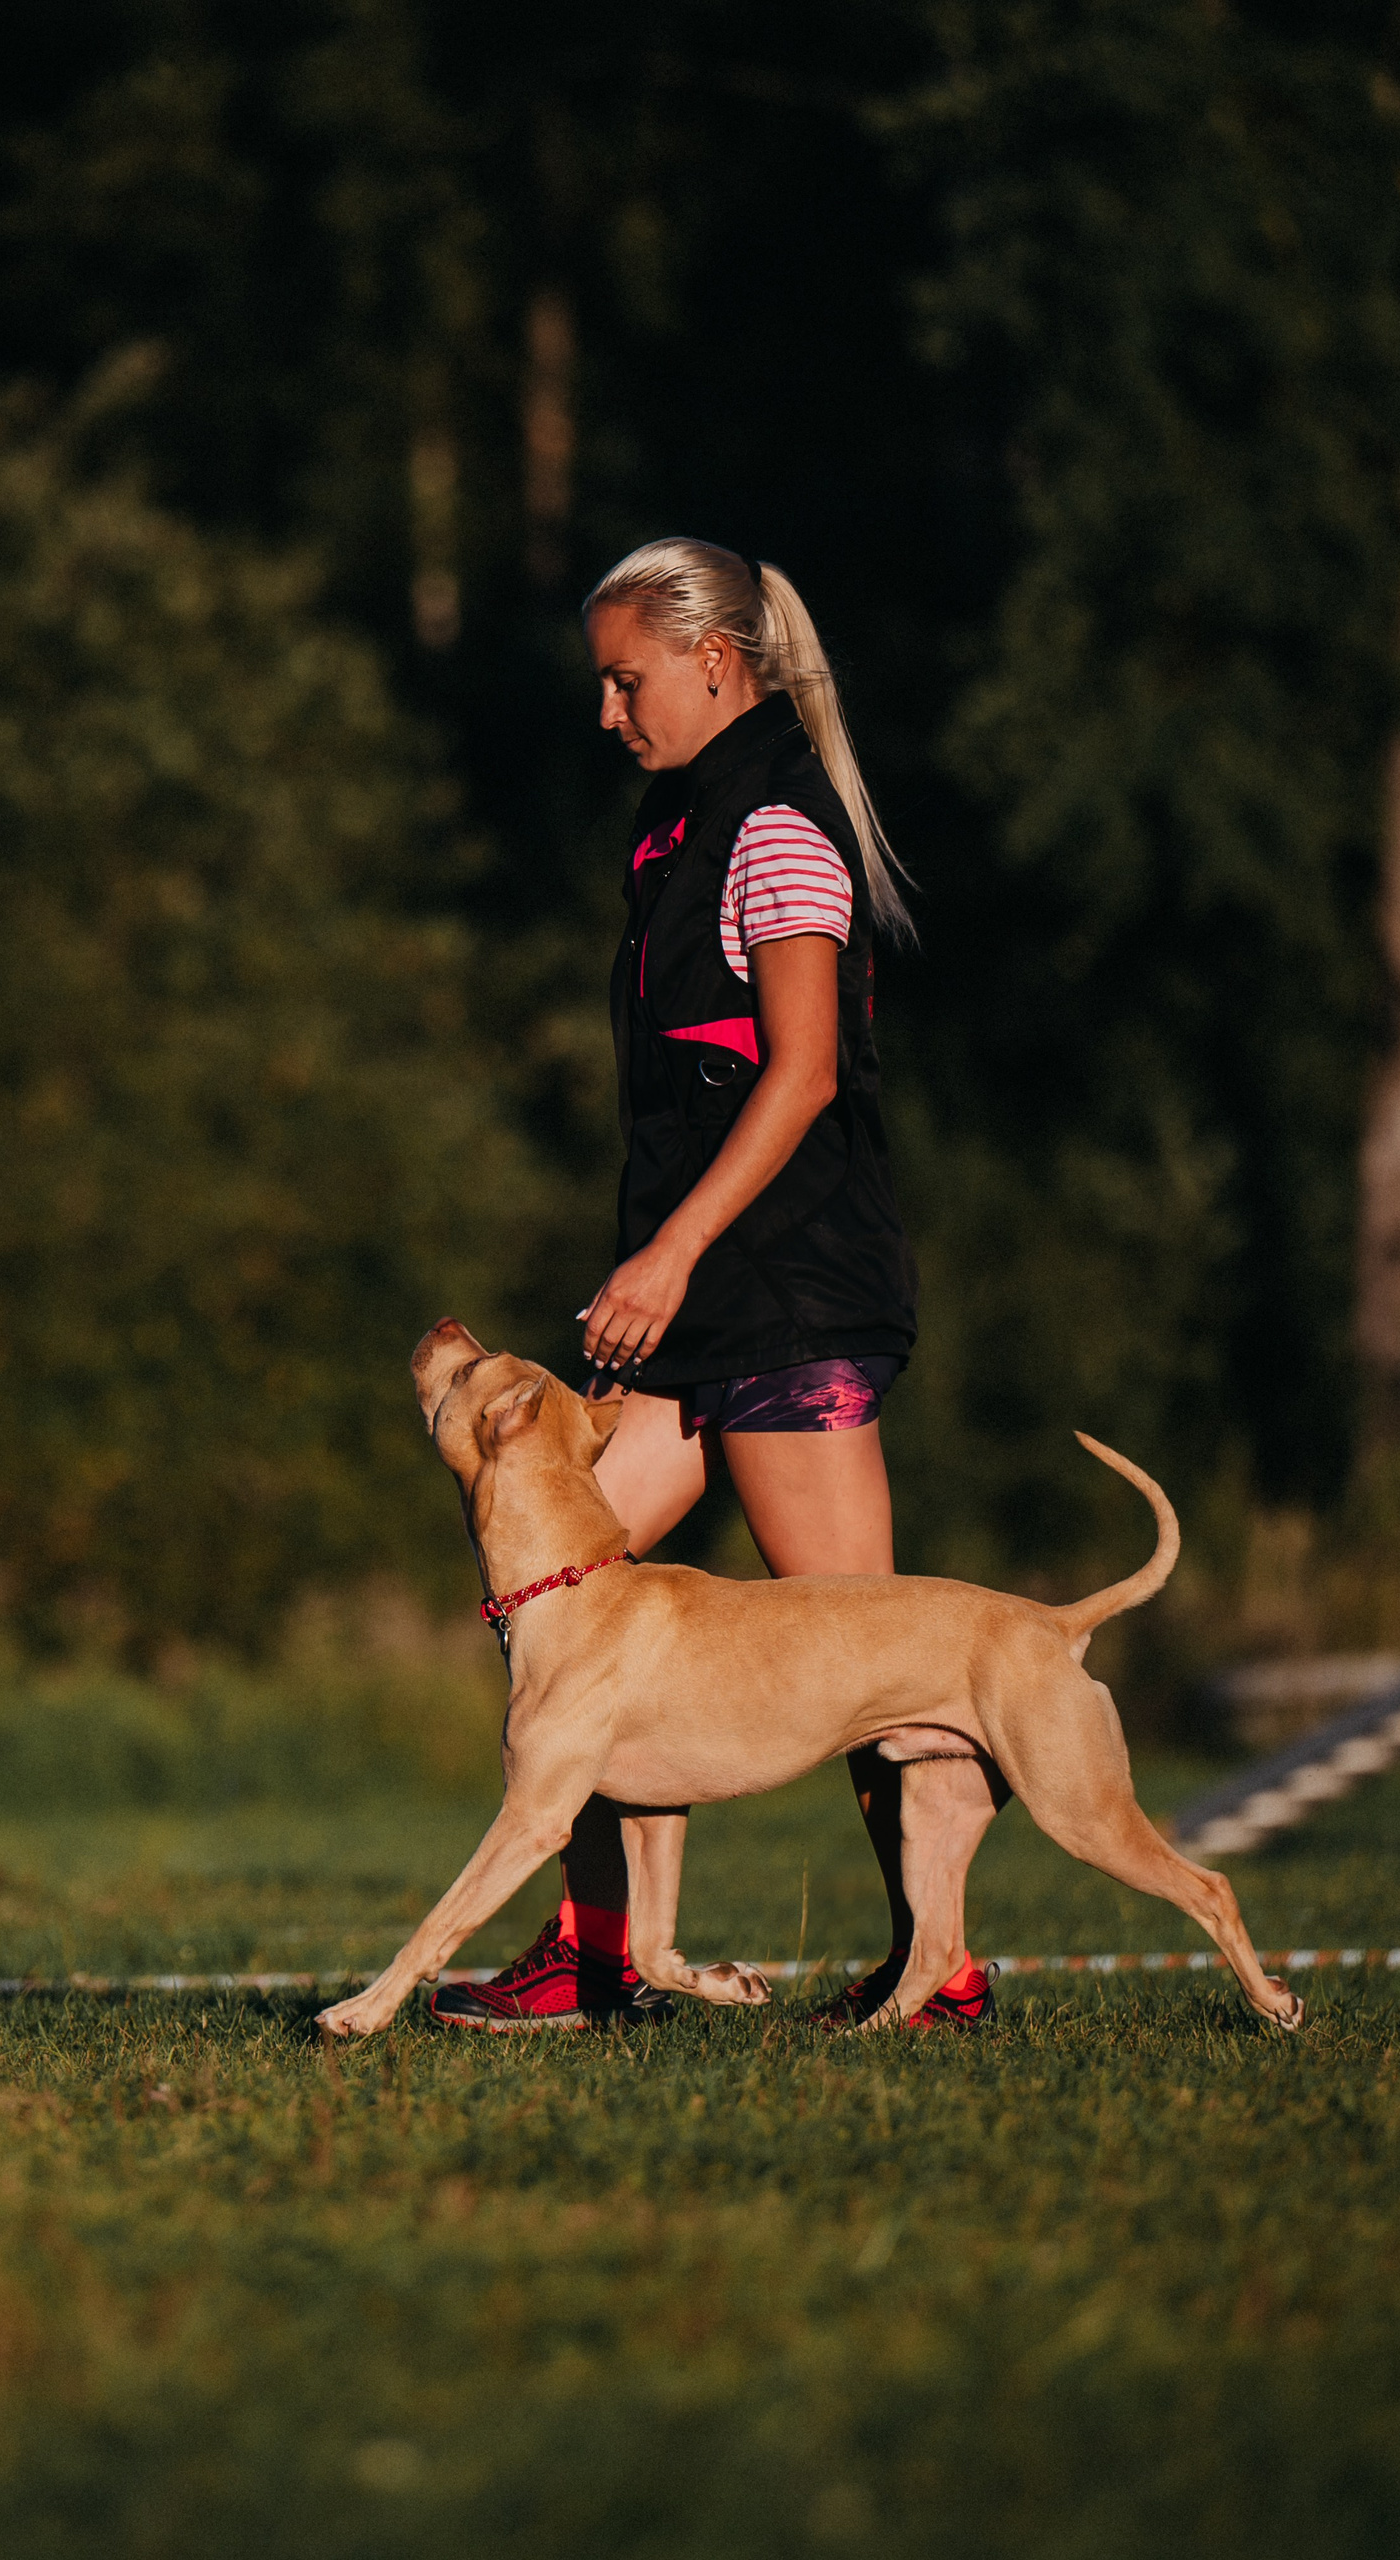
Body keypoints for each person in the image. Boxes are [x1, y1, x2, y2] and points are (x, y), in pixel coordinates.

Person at [431, 537, 999, 2034]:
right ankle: (598, 1950)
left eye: (627, 681)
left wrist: (670, 1252)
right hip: (695, 1311)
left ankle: (941, 1967)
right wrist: (664, 1269)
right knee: (562, 1588)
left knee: (867, 1655)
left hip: (792, 1296)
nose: (609, 713)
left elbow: (805, 1073)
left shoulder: (778, 830)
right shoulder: (673, 829)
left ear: (716, 664)